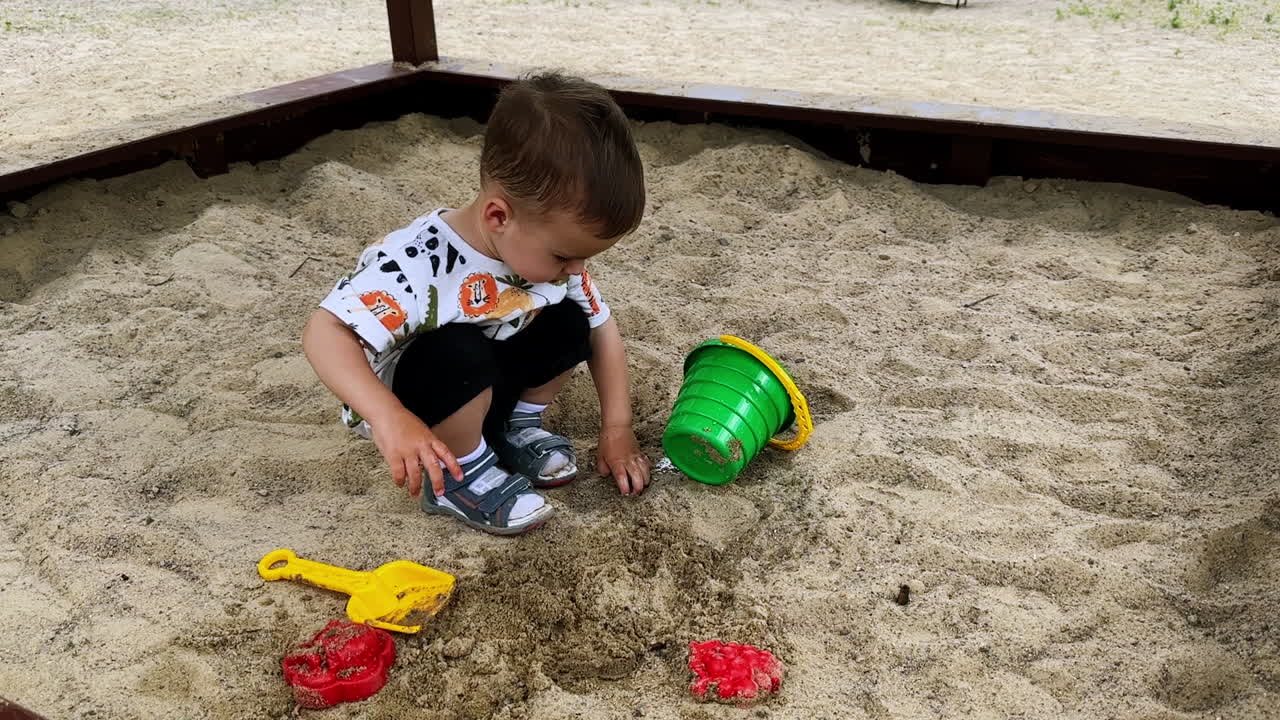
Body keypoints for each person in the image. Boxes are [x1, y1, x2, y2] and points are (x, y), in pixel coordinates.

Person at [302, 71, 651, 535]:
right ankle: (459, 474)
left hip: (485, 380)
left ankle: (512, 428)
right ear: (498, 216)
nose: (576, 269)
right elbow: (324, 332)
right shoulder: (419, 262)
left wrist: (617, 428)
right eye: (564, 255)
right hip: (422, 401)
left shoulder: (544, 256)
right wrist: (390, 417)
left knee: (571, 320)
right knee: (456, 352)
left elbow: (602, 331)